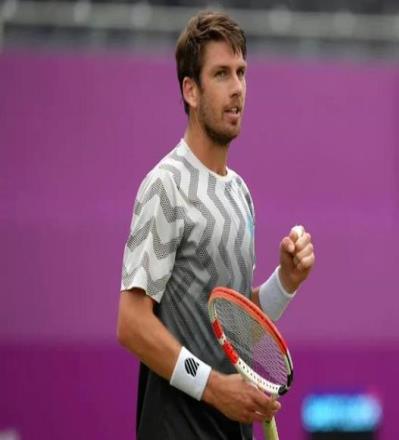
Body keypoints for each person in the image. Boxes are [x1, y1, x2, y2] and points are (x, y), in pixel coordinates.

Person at [117, 10, 315, 440]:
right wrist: (214, 388)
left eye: (241, 72)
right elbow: (132, 324)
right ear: (191, 90)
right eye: (221, 74)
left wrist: (285, 281)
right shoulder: (165, 186)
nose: (237, 88)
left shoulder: (239, 193)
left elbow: (233, 325)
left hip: (232, 427)